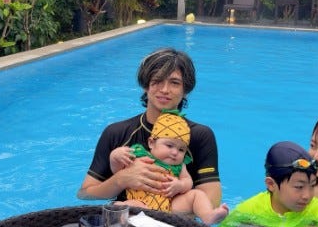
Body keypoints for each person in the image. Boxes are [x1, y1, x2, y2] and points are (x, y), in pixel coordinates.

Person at [78, 47, 222, 207]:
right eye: (157, 81)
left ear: (185, 90)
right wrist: (121, 179)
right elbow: (85, 193)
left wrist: (171, 206)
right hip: (127, 215)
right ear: (146, 85)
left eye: (174, 83)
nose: (165, 90)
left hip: (175, 219)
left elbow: (212, 201)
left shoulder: (200, 135)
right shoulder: (116, 133)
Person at [110, 109, 229, 225]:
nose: (175, 152)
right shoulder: (138, 156)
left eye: (181, 149)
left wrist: (180, 185)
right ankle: (120, 219)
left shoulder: (179, 165)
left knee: (197, 195)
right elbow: (118, 172)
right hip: (141, 202)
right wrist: (115, 157)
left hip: (170, 205)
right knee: (123, 205)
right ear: (151, 143)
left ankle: (208, 215)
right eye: (169, 145)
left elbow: (188, 181)